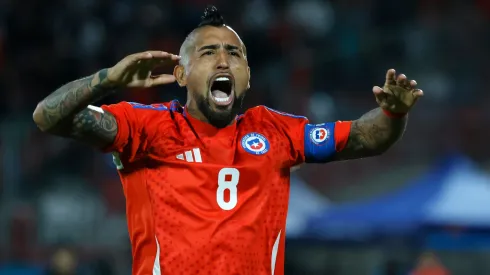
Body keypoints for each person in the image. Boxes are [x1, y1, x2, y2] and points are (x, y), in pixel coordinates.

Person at [32, 5, 423, 275]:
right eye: (208, 52)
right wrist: (106, 81)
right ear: (182, 75)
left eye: (234, 53)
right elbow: (49, 117)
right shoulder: (148, 127)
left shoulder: (275, 131)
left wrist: (393, 113)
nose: (223, 61)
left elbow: (363, 138)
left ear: (248, 76)